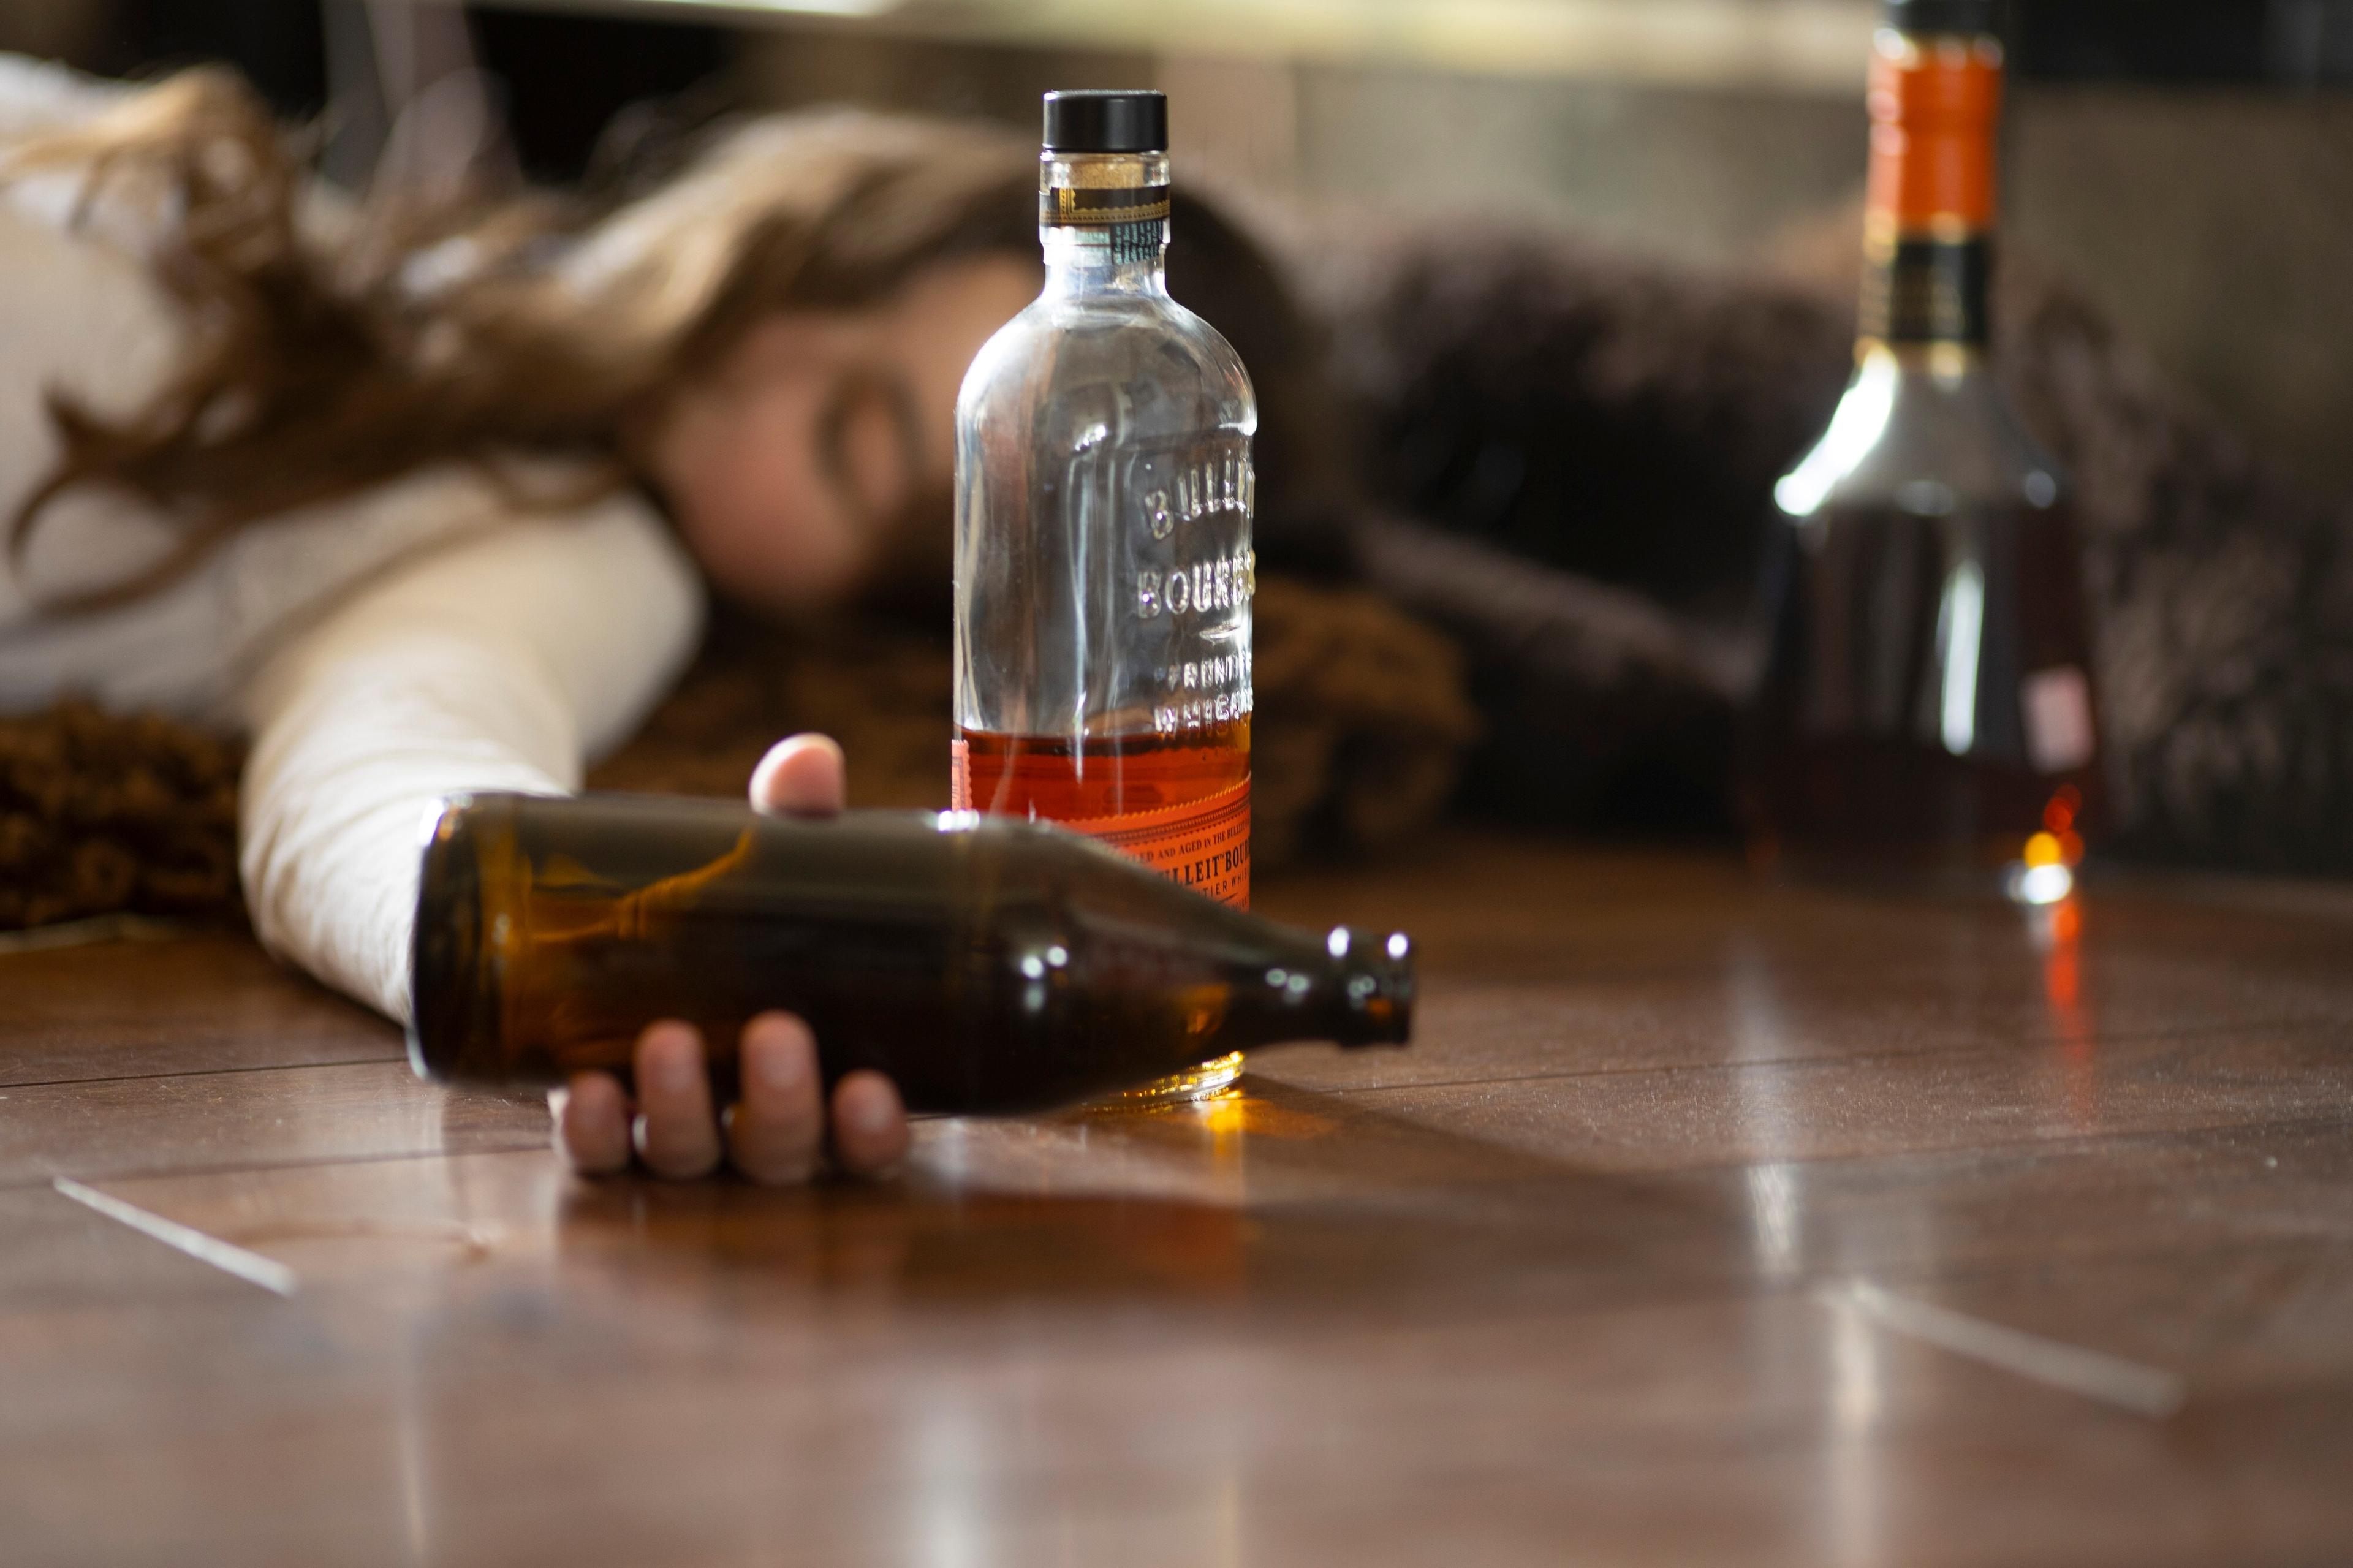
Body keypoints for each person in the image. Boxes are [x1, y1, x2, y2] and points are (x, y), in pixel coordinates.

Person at [1, 58, 1305, 1183]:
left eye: (842, 435)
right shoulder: (383, 256)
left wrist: (633, 960)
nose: (768, 339)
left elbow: (384, 779)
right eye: (827, 256)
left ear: (869, 606)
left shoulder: (581, 562)